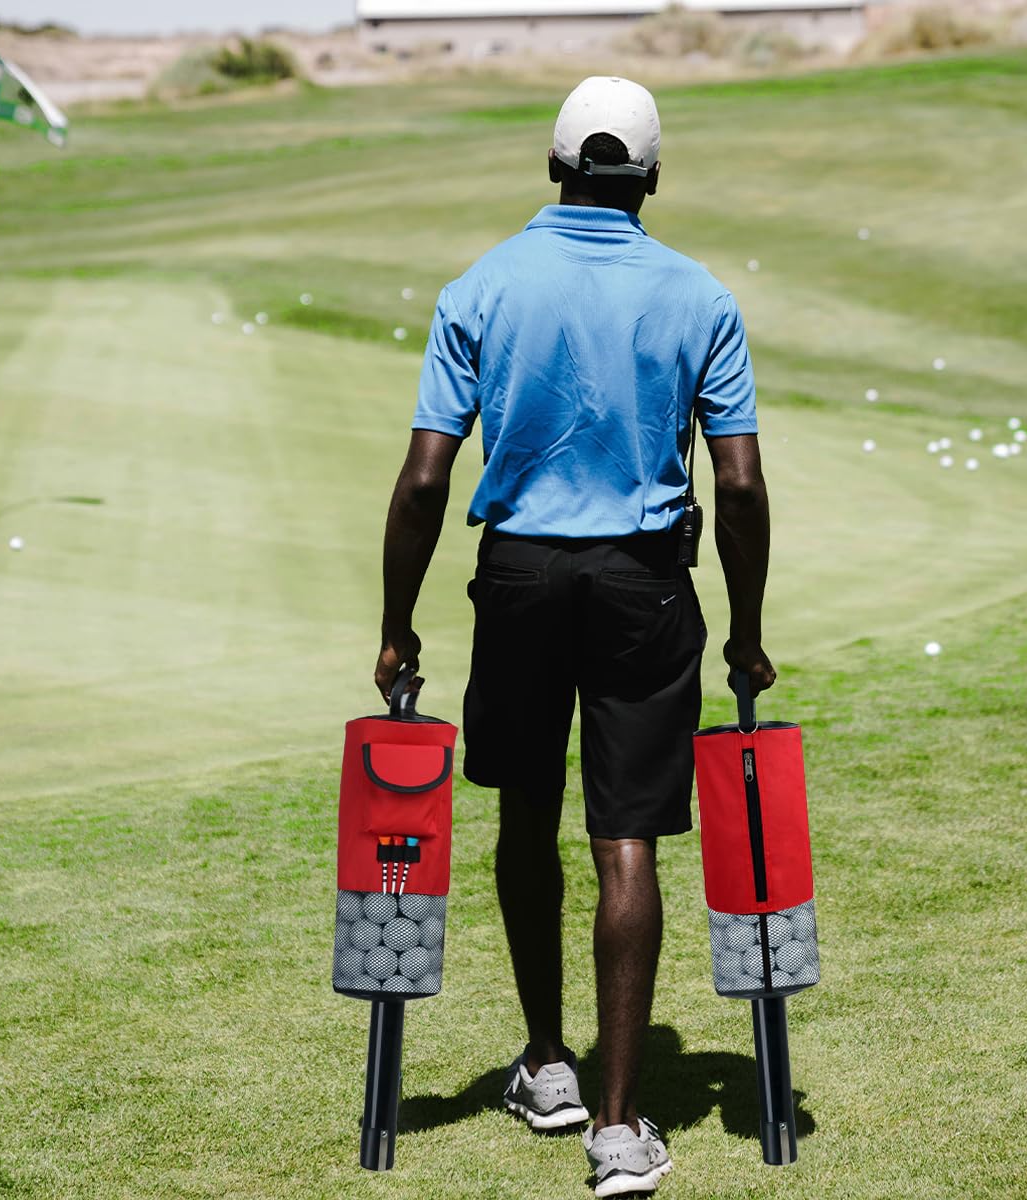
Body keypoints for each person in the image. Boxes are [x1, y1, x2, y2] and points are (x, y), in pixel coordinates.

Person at [373, 75, 775, 1197]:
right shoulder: (699, 295)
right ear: (653, 177)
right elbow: (739, 487)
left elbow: (423, 481)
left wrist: (397, 625)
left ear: (554, 167)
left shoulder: (482, 285)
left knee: (525, 811)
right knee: (625, 838)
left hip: (518, 578)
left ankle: (549, 1063)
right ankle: (618, 1125)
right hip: (645, 584)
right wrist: (746, 632)